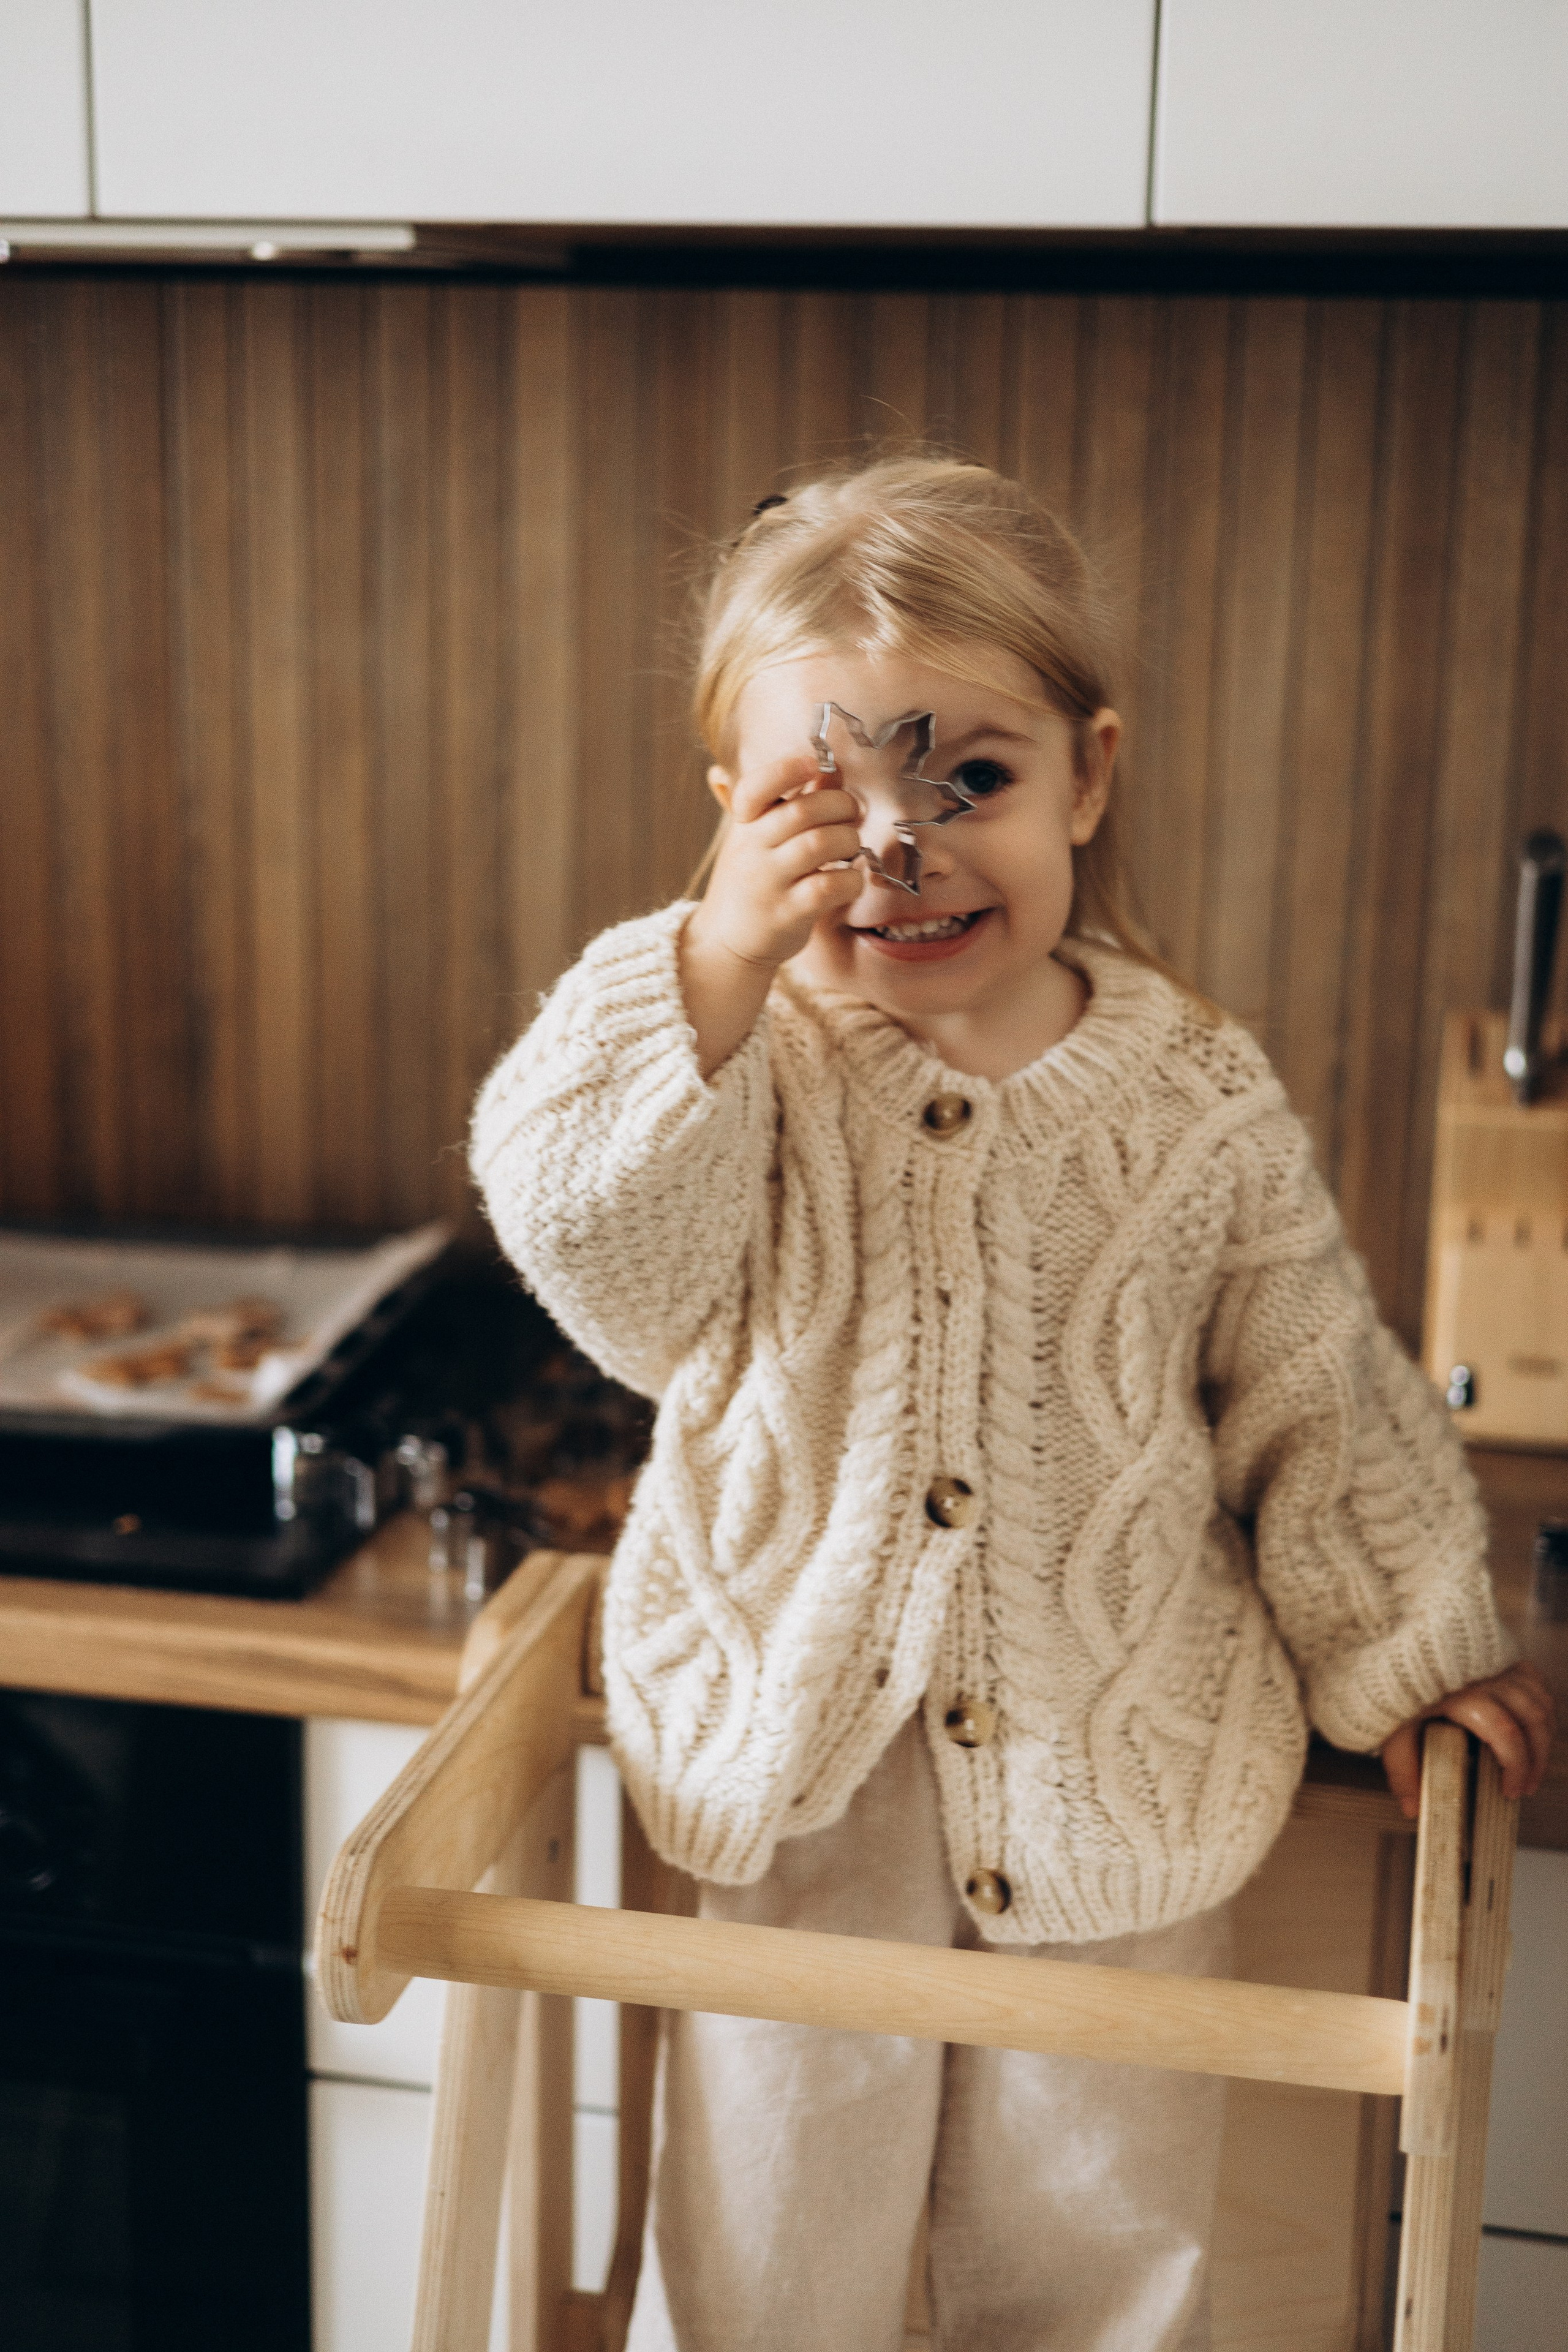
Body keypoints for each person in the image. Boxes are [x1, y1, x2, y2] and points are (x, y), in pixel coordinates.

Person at [471, 456, 1554, 2352]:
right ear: (732, 818)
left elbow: (1309, 1374)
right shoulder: (734, 1061)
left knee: (1098, 2243)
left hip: (1114, 1759)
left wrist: (1413, 1638)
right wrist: (708, 970)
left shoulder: (1190, 1095)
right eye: (819, 799)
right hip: (800, 1779)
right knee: (769, 2247)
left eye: (969, 779)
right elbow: (596, 1259)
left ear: (1090, 777)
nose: (899, 852)